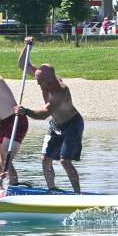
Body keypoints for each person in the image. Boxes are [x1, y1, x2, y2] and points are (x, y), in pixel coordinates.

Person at [17, 38, 84, 193]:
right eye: (37, 79)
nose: (38, 83)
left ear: (50, 79)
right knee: (45, 159)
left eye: (40, 81)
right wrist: (28, 47)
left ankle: (78, 195)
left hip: (72, 124)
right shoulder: (43, 77)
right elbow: (22, 65)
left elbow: (44, 114)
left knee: (65, 161)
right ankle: (52, 189)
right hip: (56, 125)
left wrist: (26, 111)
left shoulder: (60, 91)